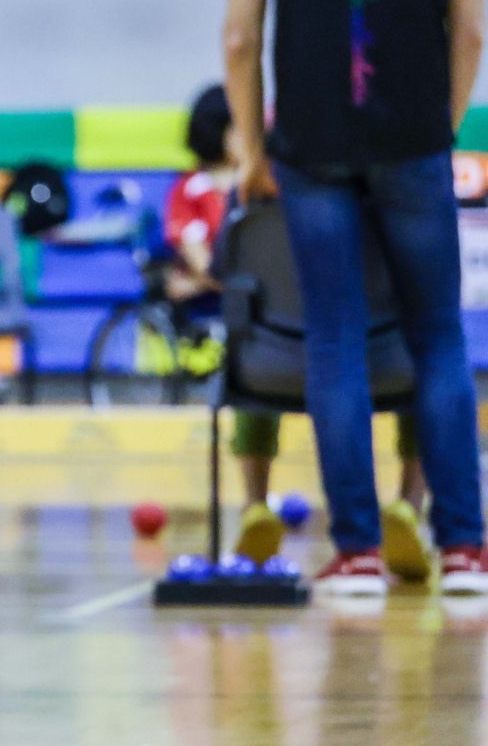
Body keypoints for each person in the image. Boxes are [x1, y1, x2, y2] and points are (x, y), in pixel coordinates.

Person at [219, 0, 488, 596]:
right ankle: (465, 551)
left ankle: (360, 553)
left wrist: (253, 149)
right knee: (440, 341)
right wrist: (441, 127)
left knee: (333, 341)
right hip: (413, 141)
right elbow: (473, 29)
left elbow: (239, 40)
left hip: (311, 148)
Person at [165, 85, 428, 570]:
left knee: (248, 351)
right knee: (428, 365)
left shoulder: (247, 209)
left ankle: (254, 506)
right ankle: (409, 505)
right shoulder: (388, 201)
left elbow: (222, 271)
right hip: (377, 365)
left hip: (272, 367)